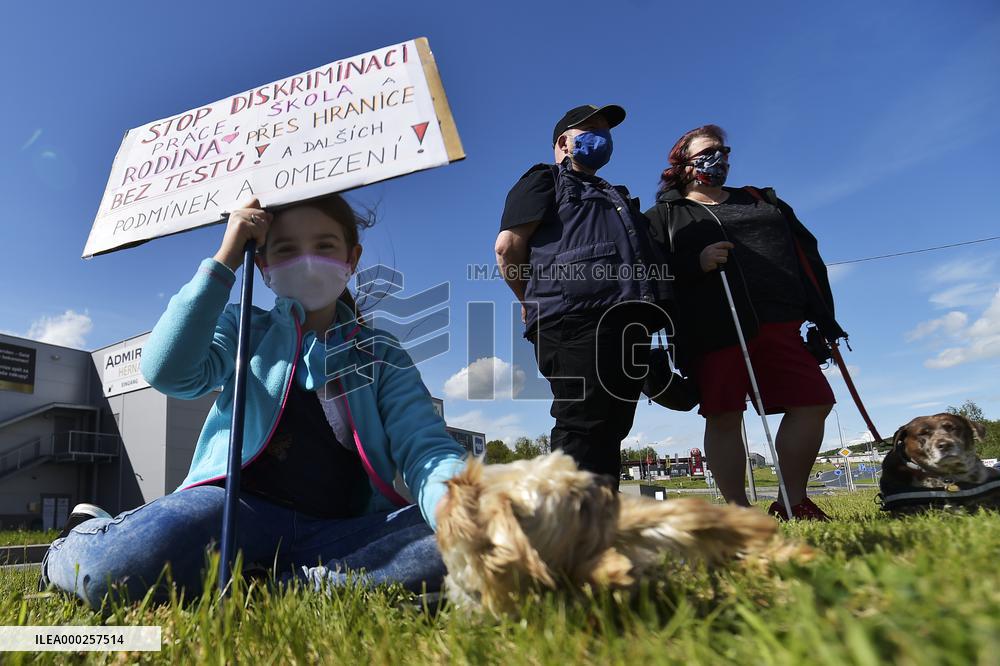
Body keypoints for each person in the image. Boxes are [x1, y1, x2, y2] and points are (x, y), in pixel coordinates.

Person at [40, 195, 467, 608]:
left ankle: (280, 583)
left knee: (476, 539)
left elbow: (424, 447)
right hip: (232, 510)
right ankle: (78, 538)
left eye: (325, 246)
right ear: (262, 265)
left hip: (339, 529)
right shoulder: (245, 327)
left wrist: (458, 505)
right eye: (286, 249)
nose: (308, 260)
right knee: (124, 565)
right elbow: (167, 370)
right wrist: (225, 258)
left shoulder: (381, 354)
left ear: (351, 259)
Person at [645, 125, 846, 520]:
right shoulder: (666, 216)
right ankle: (738, 511)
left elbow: (807, 254)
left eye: (723, 150)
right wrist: (694, 263)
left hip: (781, 317)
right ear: (681, 162)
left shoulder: (761, 200)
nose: (717, 158)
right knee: (724, 413)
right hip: (714, 326)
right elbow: (649, 272)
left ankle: (792, 500)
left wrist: (823, 314)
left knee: (814, 402)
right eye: (706, 151)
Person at [495, 104, 672, 488]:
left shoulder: (615, 195)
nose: (603, 138)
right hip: (572, 318)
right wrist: (529, 300)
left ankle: (597, 524)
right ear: (563, 141)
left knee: (613, 426)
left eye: (606, 131)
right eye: (591, 129)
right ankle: (566, 529)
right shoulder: (543, 180)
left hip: (626, 319)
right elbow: (508, 247)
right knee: (583, 423)